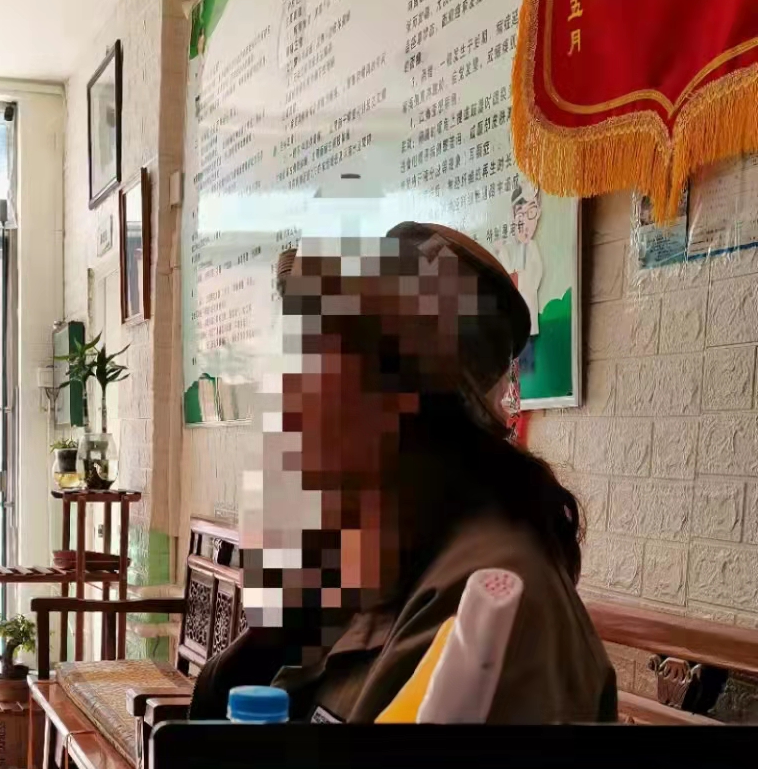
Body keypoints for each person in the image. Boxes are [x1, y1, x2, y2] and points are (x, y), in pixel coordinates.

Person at [190, 220, 616, 725]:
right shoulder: (386, 560)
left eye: (320, 363)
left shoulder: (491, 602)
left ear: (406, 405)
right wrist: (271, 640)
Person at [496, 179, 543, 373]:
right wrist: (503, 254)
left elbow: (531, 277)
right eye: (520, 215)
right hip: (515, 319)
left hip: (527, 315)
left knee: (525, 359)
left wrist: (518, 277)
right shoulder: (514, 250)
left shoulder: (531, 247)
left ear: (537, 214)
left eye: (530, 213)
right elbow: (511, 277)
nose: (524, 222)